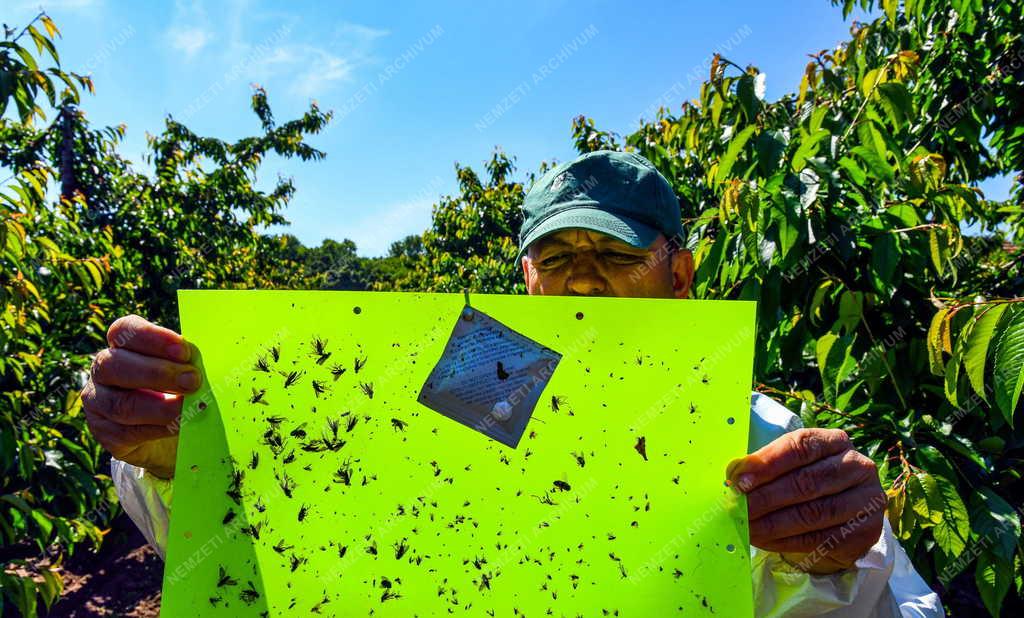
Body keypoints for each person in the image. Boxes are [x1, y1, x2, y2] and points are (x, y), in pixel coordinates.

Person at [82, 150, 943, 617]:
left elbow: (896, 605)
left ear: (680, 274)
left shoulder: (759, 432)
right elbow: (292, 518)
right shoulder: (475, 382)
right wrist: (168, 453)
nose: (583, 282)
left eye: (615, 255)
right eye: (558, 259)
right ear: (524, 281)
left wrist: (836, 561)